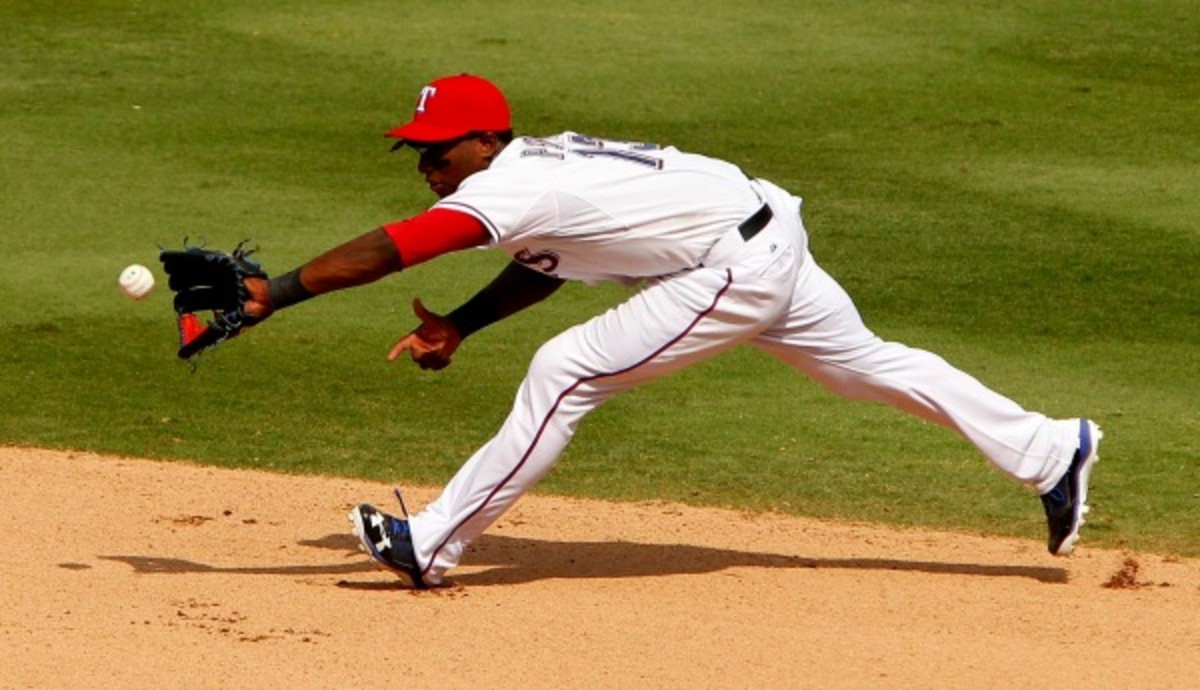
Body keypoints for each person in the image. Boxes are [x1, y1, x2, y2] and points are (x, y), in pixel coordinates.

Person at [245, 74, 1101, 588]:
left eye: (437, 151)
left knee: (567, 371)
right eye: (417, 152)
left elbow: (401, 247)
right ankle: (1050, 449)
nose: (427, 166)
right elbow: (545, 265)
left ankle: (432, 542)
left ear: (484, 142)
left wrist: (272, 292)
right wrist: (464, 324)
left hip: (736, 263)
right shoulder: (536, 172)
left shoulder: (512, 183)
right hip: (763, 230)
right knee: (859, 366)